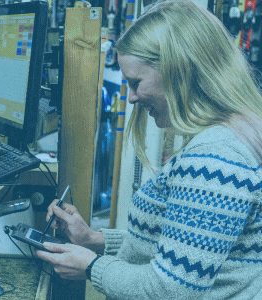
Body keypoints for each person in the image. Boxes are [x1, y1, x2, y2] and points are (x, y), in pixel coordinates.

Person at [36, 1, 262, 299]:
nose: (130, 98)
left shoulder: (216, 157)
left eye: (136, 82)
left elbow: (171, 289)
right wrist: (95, 239)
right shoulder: (233, 135)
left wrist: (93, 267)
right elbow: (186, 244)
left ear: (178, 70)